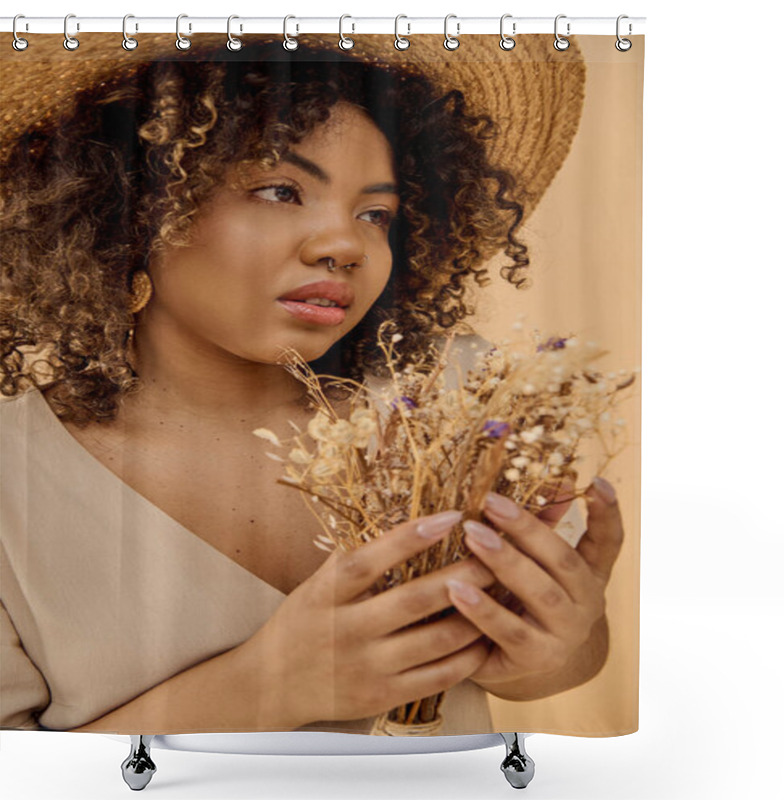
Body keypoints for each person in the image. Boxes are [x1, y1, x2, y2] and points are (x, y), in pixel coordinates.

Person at [0, 33, 622, 735]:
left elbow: (557, 671)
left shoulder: (455, 394)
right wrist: (268, 687)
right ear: (129, 206)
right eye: (280, 191)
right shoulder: (13, 477)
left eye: (375, 214)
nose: (345, 245)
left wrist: (553, 644)